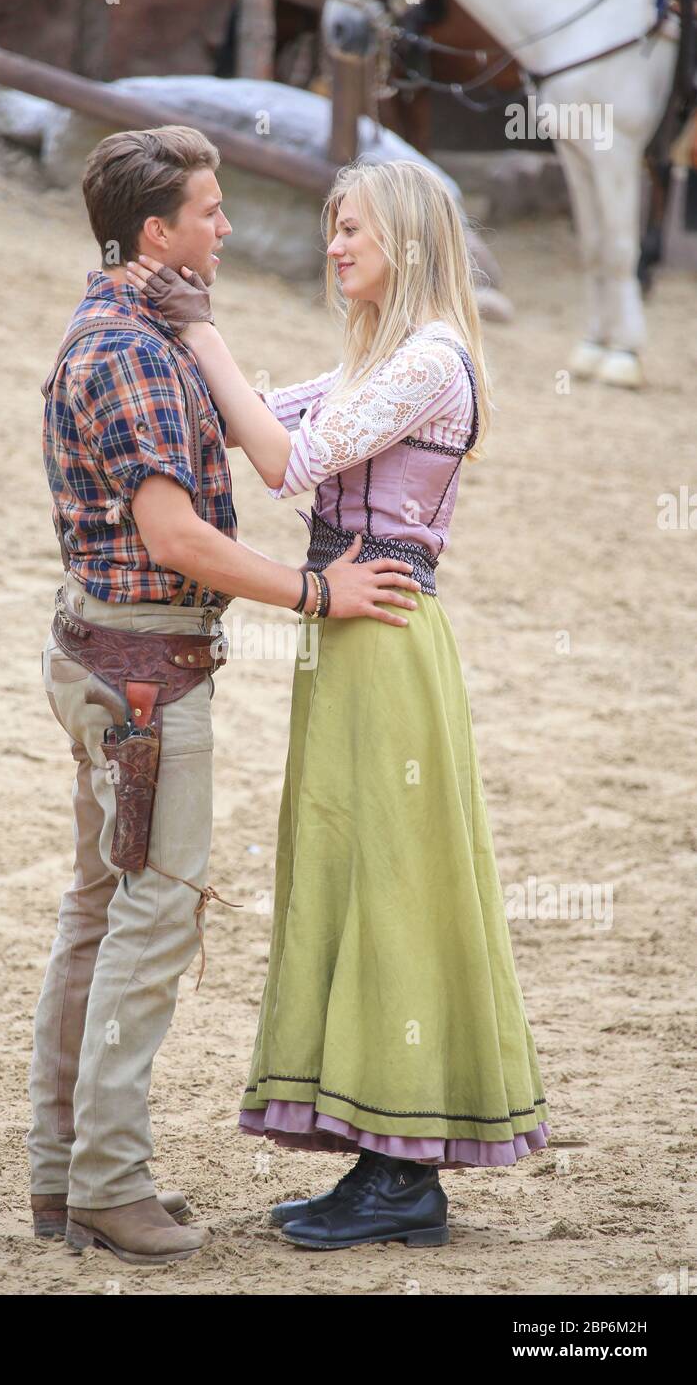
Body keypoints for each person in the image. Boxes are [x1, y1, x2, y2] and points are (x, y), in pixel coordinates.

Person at [125, 156, 552, 1252]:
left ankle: (403, 1176)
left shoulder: (431, 360)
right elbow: (255, 416)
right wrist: (160, 345)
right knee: (355, 869)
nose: (333, 246)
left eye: (349, 228)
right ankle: (382, 1162)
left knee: (392, 883)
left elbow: (291, 460)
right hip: (349, 634)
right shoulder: (382, 359)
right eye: (330, 228)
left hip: (386, 638)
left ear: (403, 238)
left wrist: (203, 328)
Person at [27, 127, 421, 1268]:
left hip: (108, 660)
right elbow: (176, 536)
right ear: (157, 234)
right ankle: (105, 1184)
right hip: (147, 676)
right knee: (147, 923)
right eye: (210, 211)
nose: (228, 228)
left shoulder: (122, 330)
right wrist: (315, 590)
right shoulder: (139, 356)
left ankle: (65, 1178)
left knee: (97, 912)